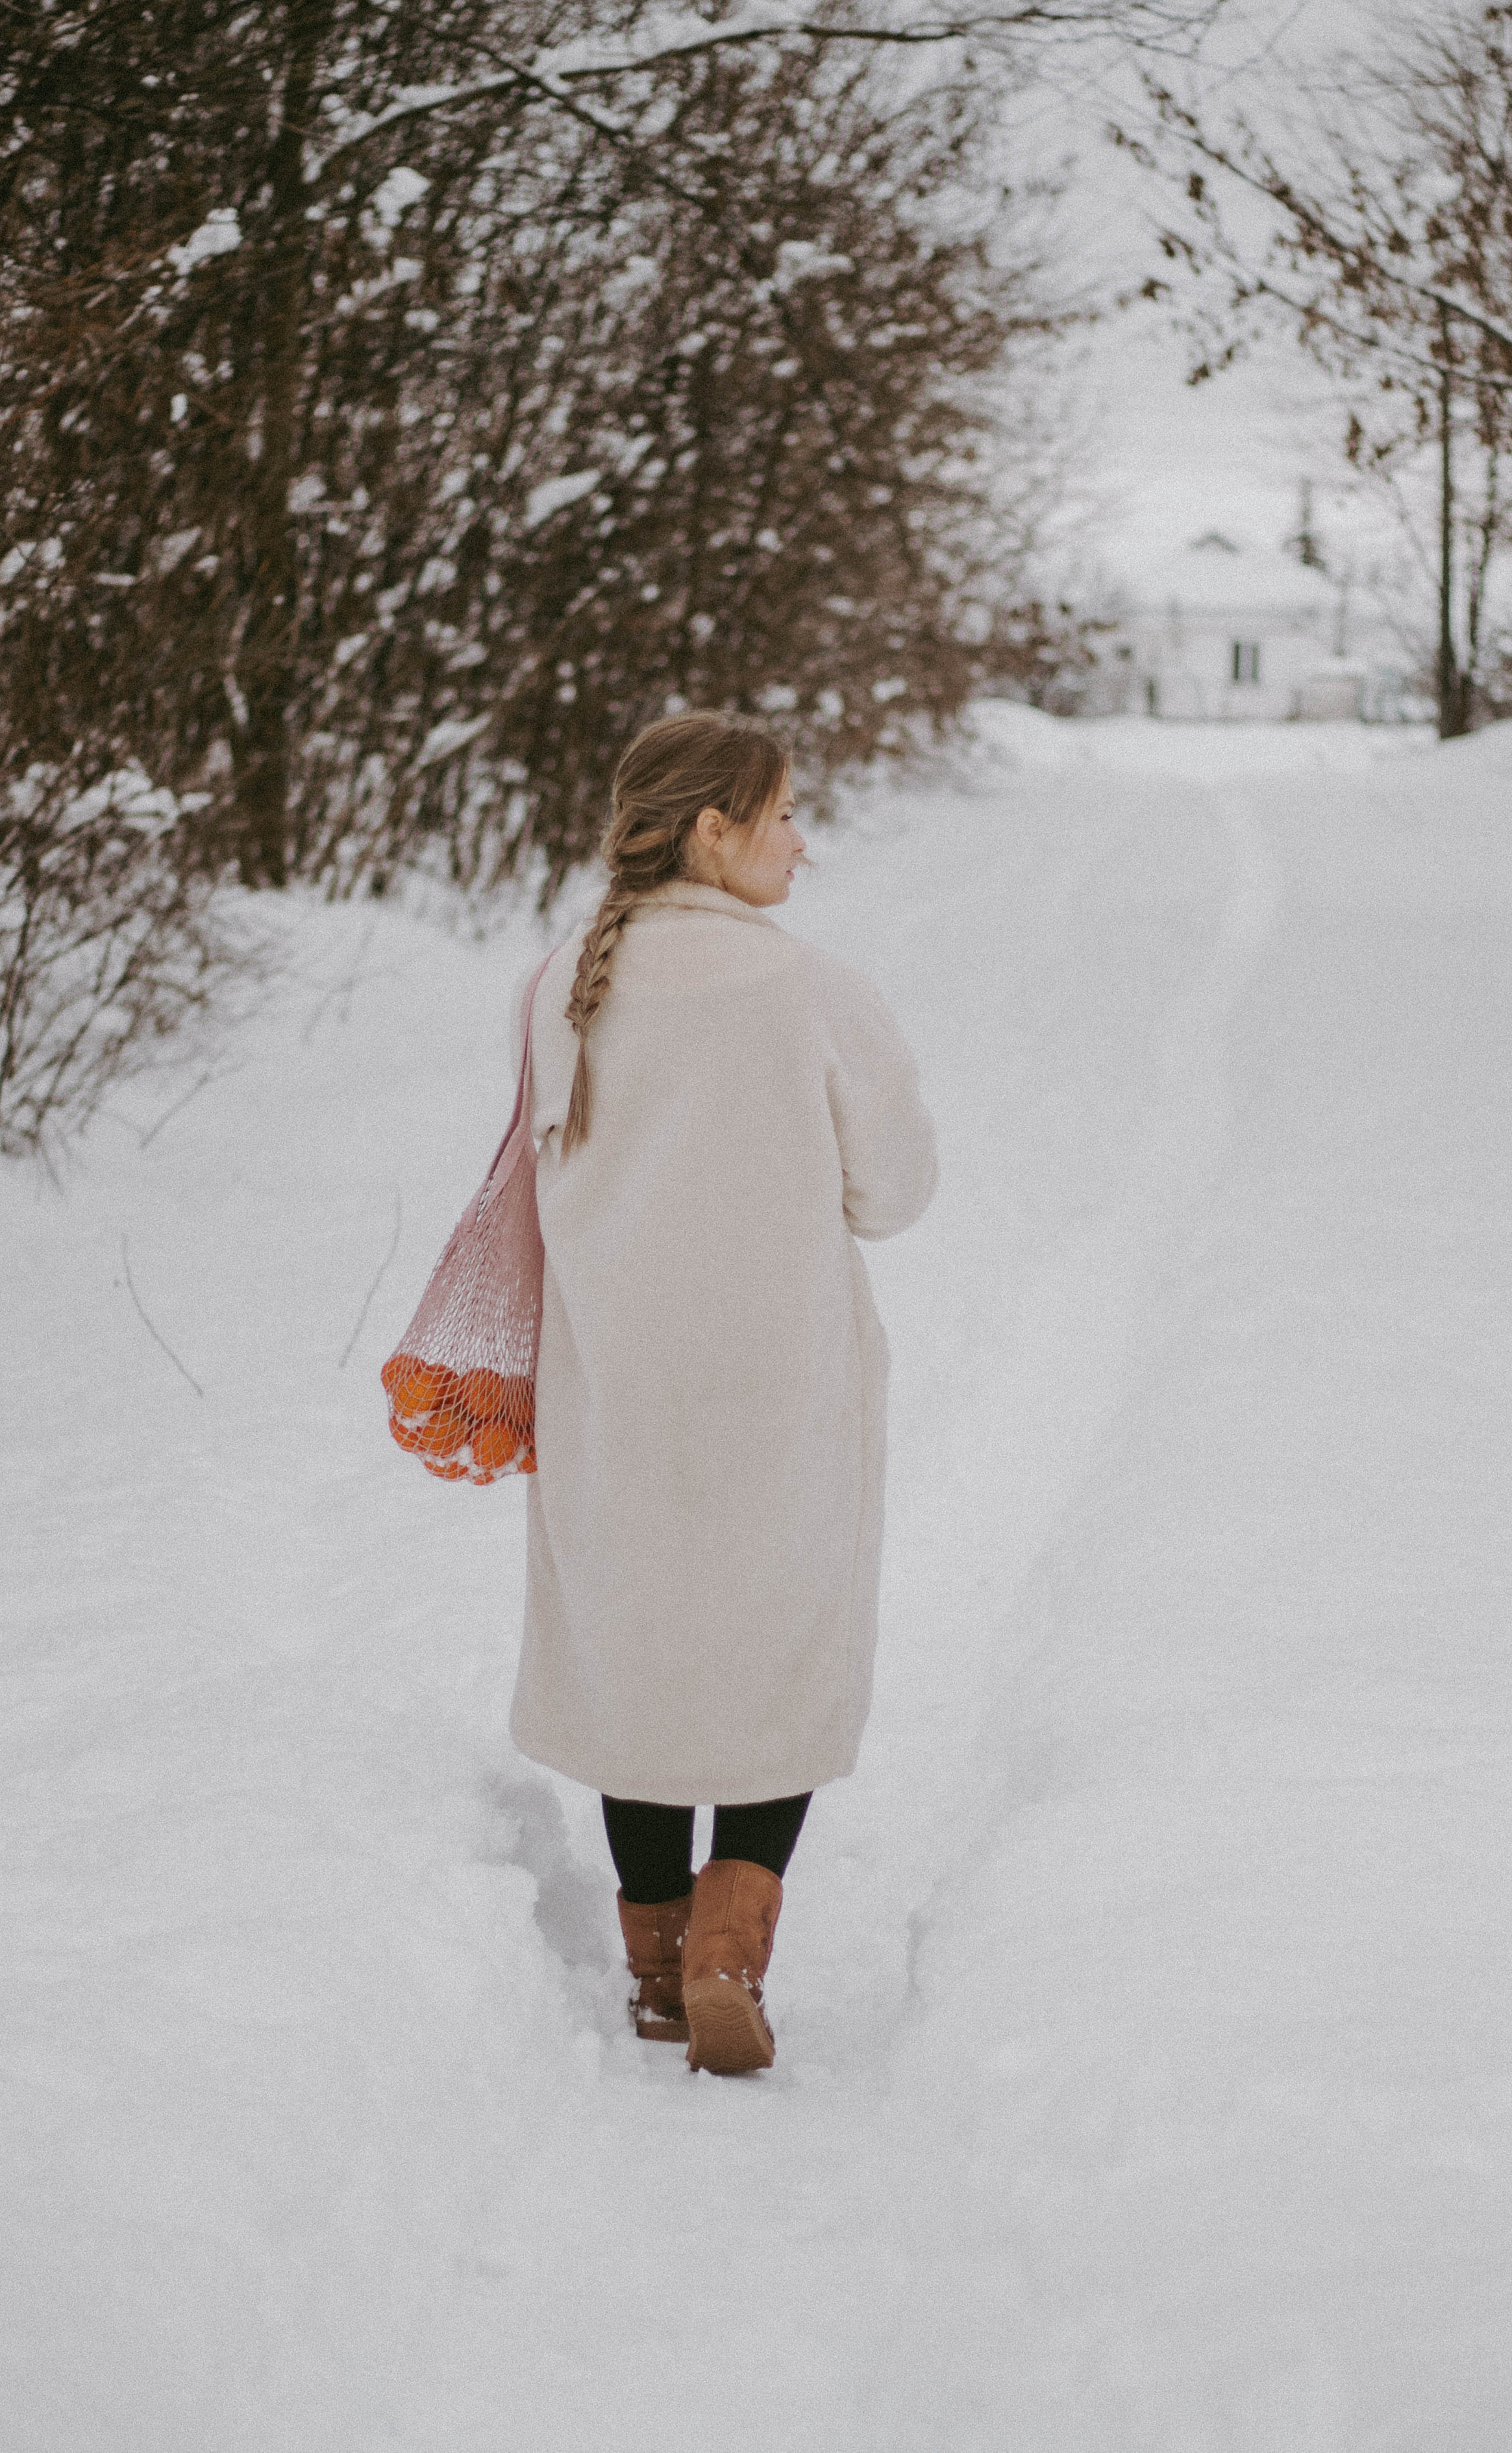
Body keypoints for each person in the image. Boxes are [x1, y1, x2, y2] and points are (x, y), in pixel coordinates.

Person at [511, 711, 937, 2073]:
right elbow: (895, 1193)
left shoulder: (556, 984)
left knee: (640, 1656)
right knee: (774, 1656)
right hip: (778, 1392)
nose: (804, 843)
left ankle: (649, 1968)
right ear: (712, 831)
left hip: (613, 1389)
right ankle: (724, 1952)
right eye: (786, 815)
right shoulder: (813, 991)